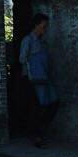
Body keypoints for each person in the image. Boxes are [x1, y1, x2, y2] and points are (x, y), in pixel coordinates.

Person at [16, 13, 58, 146]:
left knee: (53, 103)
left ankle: (39, 131)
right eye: (43, 25)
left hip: (43, 77)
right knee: (37, 107)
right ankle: (36, 135)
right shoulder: (28, 40)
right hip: (32, 78)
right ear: (36, 25)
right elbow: (22, 59)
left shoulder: (41, 41)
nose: (45, 28)